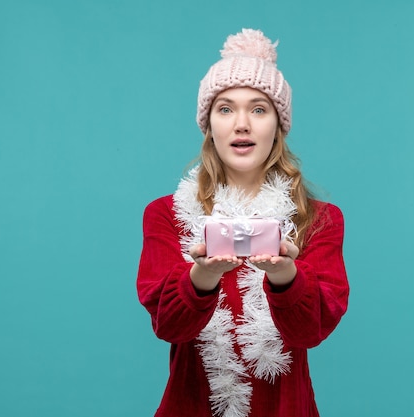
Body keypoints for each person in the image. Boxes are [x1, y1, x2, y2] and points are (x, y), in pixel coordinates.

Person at [137, 28, 349, 417]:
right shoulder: (166, 215)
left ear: (278, 127)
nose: (241, 124)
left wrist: (286, 275)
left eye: (258, 108)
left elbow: (310, 332)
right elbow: (169, 326)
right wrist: (201, 277)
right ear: (209, 126)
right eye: (225, 108)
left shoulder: (320, 220)